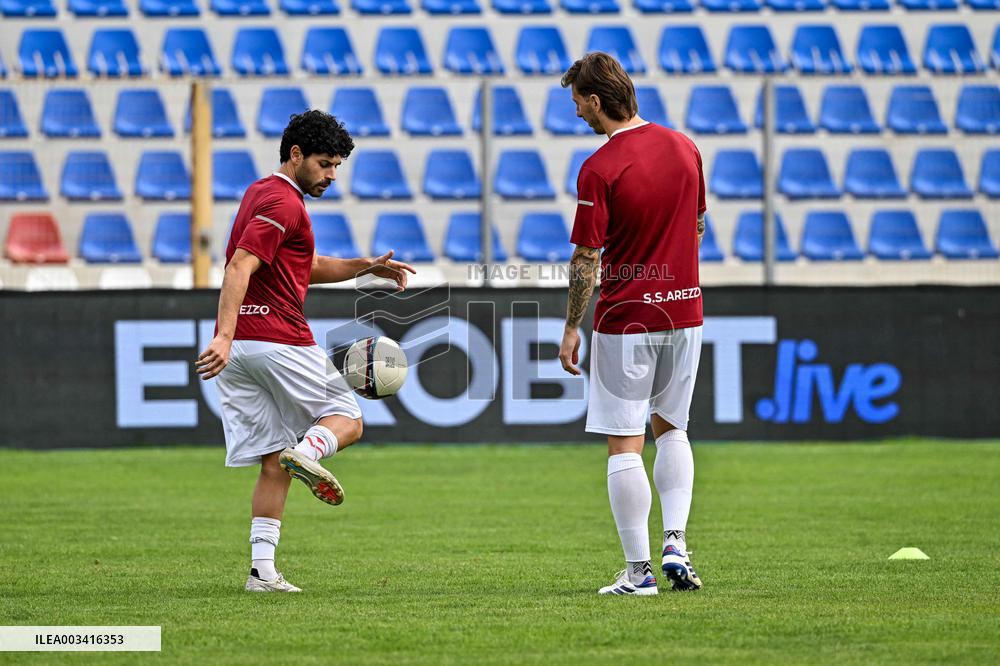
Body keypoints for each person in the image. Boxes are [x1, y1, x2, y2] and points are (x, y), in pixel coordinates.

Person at [195, 110, 415, 593]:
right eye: (324, 163)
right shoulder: (284, 202)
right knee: (347, 418)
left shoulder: (261, 193)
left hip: (240, 354)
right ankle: (309, 451)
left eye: (337, 165)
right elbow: (239, 265)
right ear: (295, 155)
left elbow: (303, 265)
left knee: (273, 461)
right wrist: (223, 335)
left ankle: (262, 571)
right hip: (275, 337)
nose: (332, 175)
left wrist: (364, 266)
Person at [557, 53, 707, 595]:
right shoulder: (685, 147)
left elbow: (586, 257)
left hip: (627, 319)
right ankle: (677, 543)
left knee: (625, 443)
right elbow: (698, 225)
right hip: (685, 310)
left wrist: (572, 326)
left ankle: (639, 572)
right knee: (673, 429)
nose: (578, 113)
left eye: (579, 103)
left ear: (597, 101)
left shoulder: (600, 167)